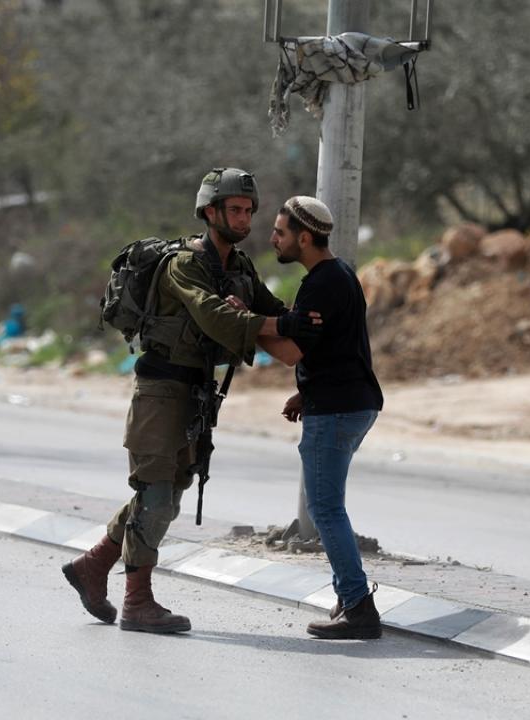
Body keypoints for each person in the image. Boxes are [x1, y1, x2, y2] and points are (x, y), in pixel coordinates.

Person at [62, 168, 320, 634]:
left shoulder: (239, 268)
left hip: (196, 393)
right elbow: (215, 317)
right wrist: (281, 326)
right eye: (234, 210)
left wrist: (306, 320)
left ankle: (92, 566)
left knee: (166, 494)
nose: (243, 220)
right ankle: (137, 601)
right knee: (157, 497)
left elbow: (272, 310)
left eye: (248, 211)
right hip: (160, 391)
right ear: (209, 211)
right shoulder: (184, 264)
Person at [270, 195, 385, 640]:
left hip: (337, 410)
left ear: (303, 238)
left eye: (280, 232)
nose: (274, 239)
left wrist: (243, 325)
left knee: (324, 509)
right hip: (350, 401)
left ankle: (358, 605)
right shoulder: (340, 274)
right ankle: (348, 597)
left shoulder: (321, 284)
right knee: (328, 506)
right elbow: (336, 347)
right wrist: (306, 391)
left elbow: (291, 351)